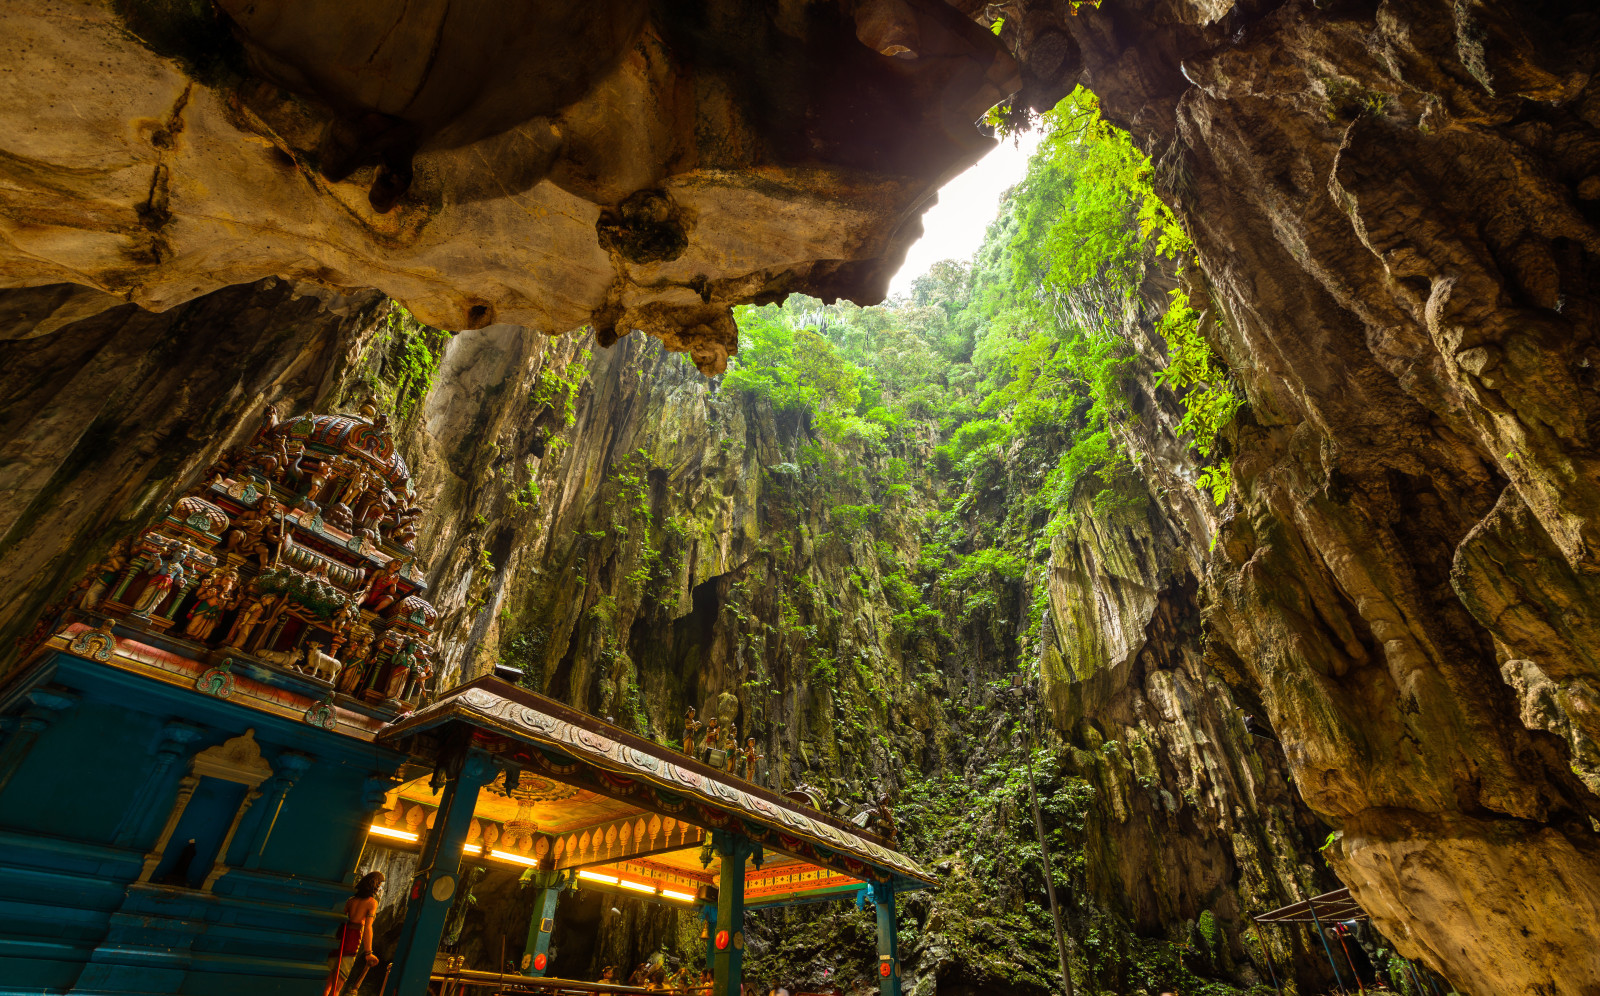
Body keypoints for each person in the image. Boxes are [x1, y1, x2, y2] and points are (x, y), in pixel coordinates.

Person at [326, 871, 383, 995]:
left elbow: (342, 918)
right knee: (337, 986)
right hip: (352, 939)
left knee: (328, 983)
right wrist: (368, 953)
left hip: (340, 936)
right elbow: (368, 928)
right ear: (376, 886)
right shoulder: (371, 903)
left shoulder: (351, 900)